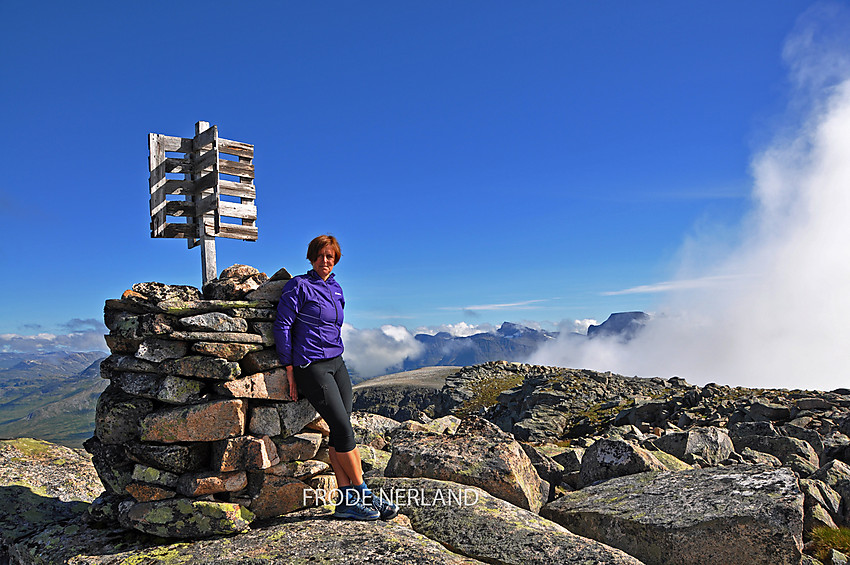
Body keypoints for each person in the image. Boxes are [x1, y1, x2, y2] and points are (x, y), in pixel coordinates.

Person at [273, 234, 398, 521]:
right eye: (320, 256)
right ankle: (363, 493)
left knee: (340, 431)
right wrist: (289, 369)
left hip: (336, 363)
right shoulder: (299, 286)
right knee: (343, 430)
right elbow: (282, 326)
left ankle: (346, 502)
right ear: (311, 258)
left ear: (336, 259)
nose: (325, 261)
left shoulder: (336, 288)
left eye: (330, 256)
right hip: (311, 366)